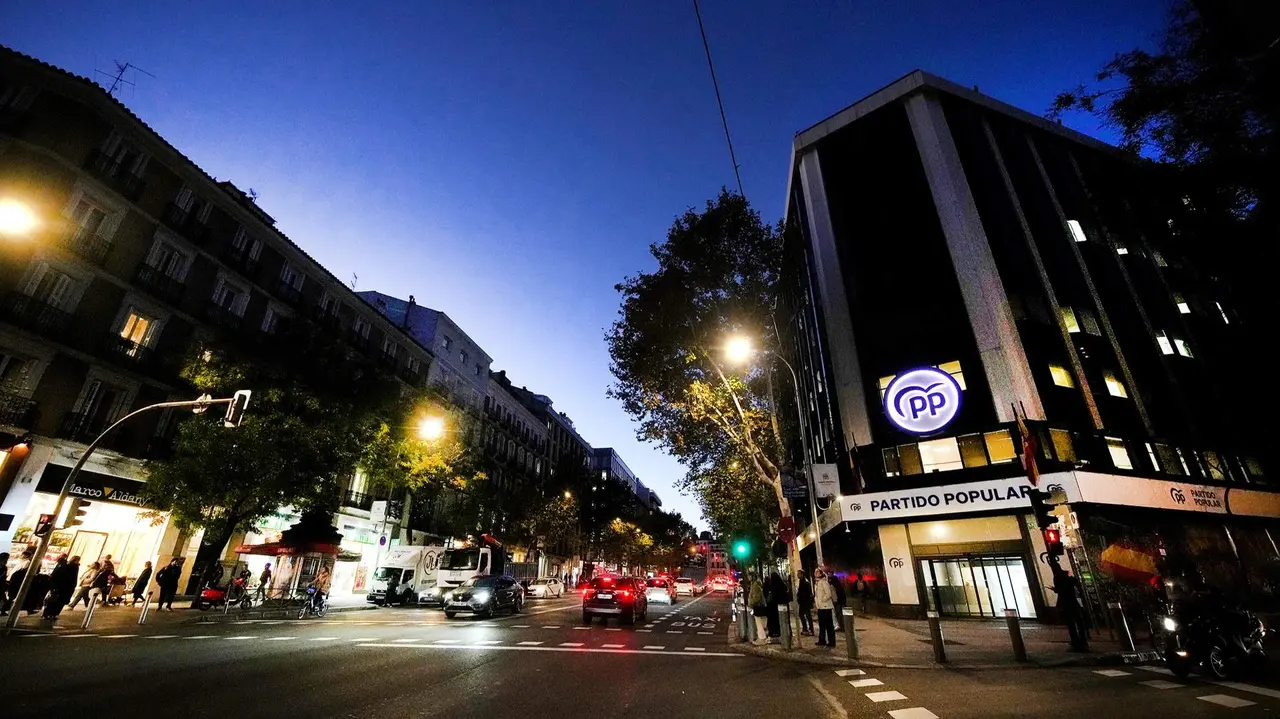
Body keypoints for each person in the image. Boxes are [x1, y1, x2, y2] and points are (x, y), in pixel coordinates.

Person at [44, 555, 74, 619]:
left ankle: (47, 613)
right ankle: (51, 613)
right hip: (60, 587)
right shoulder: (66, 566)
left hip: (57, 587)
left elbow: (55, 575)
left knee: (53, 599)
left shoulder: (62, 566)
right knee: (55, 600)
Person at [814, 567, 836, 647]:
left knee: (829, 626)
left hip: (826, 607)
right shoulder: (817, 583)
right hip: (820, 607)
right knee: (822, 625)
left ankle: (831, 642)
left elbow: (828, 594)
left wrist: (823, 599)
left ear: (821, 573)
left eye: (817, 572)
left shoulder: (824, 582)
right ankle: (822, 640)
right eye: (815, 572)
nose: (816, 573)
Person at [748, 575, 768, 645]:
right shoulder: (756, 585)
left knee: (759, 623)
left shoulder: (755, 586)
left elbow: (757, 597)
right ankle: (763, 637)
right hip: (760, 606)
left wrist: (751, 603)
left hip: (758, 606)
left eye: (749, 576)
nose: (748, 577)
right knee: (762, 623)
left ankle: (761, 638)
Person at [797, 571, 814, 636]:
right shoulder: (801, 582)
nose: (798, 575)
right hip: (802, 602)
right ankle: (805, 629)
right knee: (801, 615)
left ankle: (810, 629)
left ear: (802, 574)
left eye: (799, 574)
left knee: (808, 616)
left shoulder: (806, 582)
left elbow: (808, 592)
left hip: (806, 602)